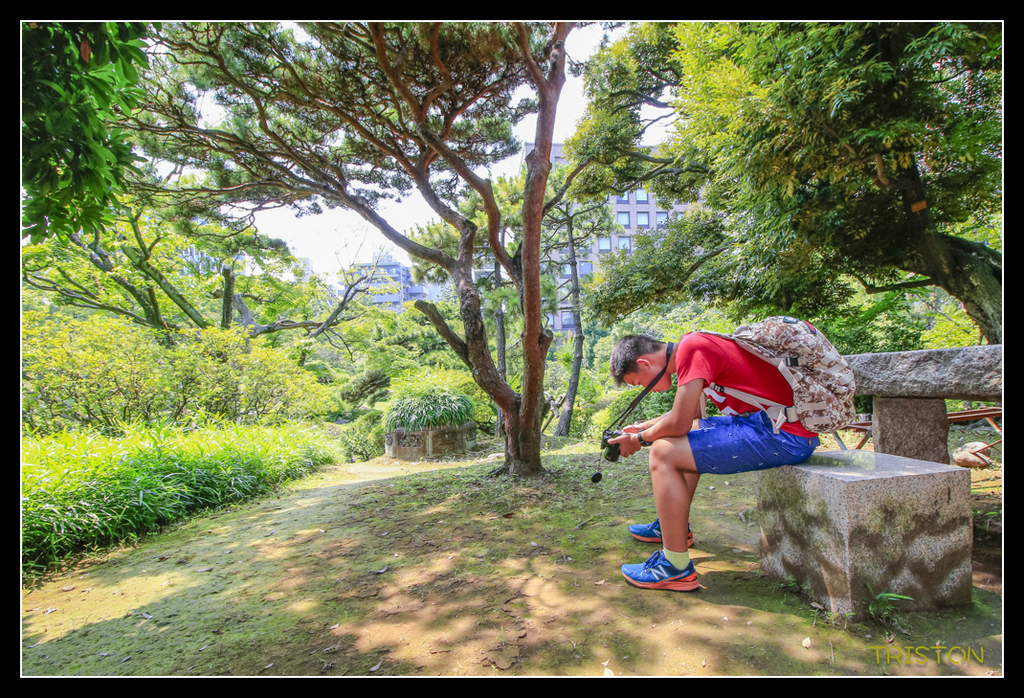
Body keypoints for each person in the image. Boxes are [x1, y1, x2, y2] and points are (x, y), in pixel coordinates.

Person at [607, 331, 820, 591]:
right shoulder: (692, 347)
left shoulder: (692, 349)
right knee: (679, 439)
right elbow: (693, 414)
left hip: (784, 434)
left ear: (644, 363)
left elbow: (680, 423)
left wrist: (639, 439)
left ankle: (674, 568)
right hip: (771, 425)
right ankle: (672, 529)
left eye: (638, 382)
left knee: (663, 452)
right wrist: (642, 427)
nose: (643, 388)